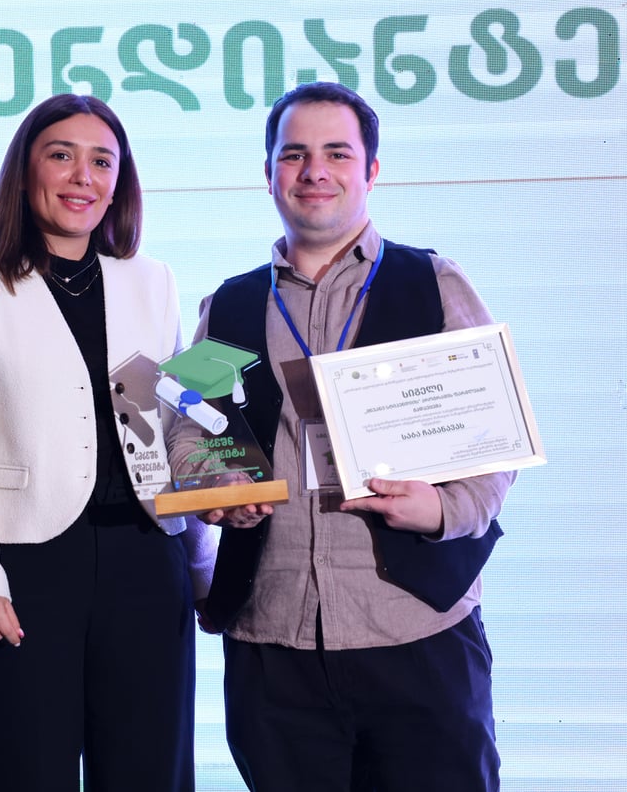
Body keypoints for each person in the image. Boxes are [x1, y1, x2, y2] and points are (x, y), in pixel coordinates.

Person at [188, 82, 513, 792]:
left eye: (337, 153)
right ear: (268, 172)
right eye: (293, 155)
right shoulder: (228, 303)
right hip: (272, 644)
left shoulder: (433, 282)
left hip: (415, 629)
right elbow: (193, 436)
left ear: (371, 170)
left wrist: (442, 509)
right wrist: (218, 490)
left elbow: (494, 440)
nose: (314, 171)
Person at [0, 94, 213, 792]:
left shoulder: (152, 281)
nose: (83, 176)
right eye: (62, 155)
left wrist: (203, 566)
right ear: (25, 171)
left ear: (119, 182)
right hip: (26, 569)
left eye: (102, 161)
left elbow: (176, 421)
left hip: (146, 558)